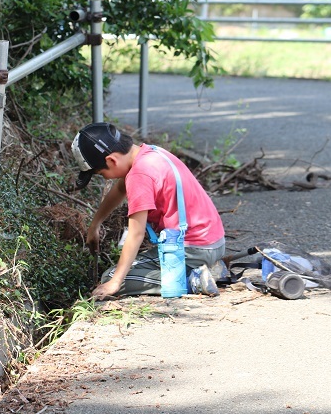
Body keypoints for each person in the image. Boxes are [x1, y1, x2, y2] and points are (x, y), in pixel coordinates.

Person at [72, 122, 225, 300]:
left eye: (100, 173)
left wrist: (114, 282)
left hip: (193, 248)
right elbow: (120, 189)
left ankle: (193, 279)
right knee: (123, 272)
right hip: (215, 242)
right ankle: (208, 267)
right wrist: (95, 224)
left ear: (111, 161)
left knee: (111, 276)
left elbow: (136, 234)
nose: (104, 177)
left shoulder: (139, 176)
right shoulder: (151, 153)